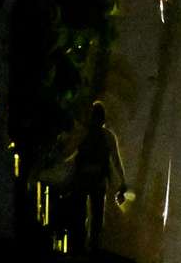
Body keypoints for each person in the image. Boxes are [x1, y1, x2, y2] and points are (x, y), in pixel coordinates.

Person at [73, 100, 127, 253]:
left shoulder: (84, 134)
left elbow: (71, 153)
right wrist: (122, 182)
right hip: (97, 181)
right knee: (96, 216)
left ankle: (82, 246)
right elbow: (116, 160)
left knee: (84, 214)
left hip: (85, 179)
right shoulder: (107, 136)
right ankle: (91, 247)